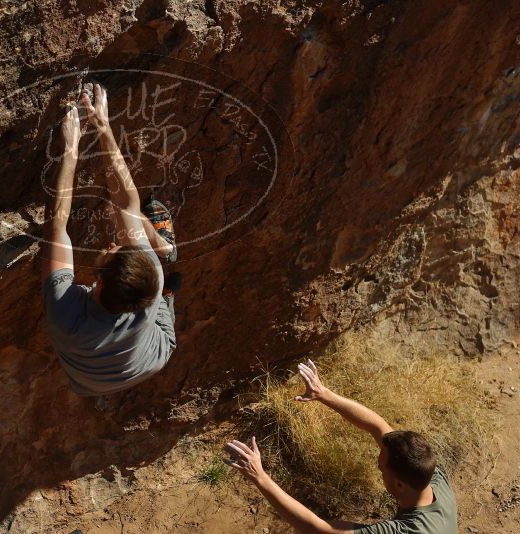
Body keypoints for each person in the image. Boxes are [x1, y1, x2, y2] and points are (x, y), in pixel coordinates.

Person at [42, 83, 180, 396]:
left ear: (99, 282)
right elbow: (126, 206)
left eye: (113, 251)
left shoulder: (67, 315)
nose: (113, 244)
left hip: (134, 360)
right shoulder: (150, 279)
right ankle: (164, 247)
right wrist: (103, 127)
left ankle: (168, 284)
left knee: (161, 291)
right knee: (138, 231)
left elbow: (57, 226)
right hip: (133, 365)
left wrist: (70, 150)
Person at [225, 360, 457, 533]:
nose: (377, 465)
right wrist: (323, 393)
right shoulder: (431, 474)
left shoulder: (406, 531)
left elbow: (319, 530)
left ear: (398, 483)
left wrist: (259, 477)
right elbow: (378, 426)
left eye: (380, 466)